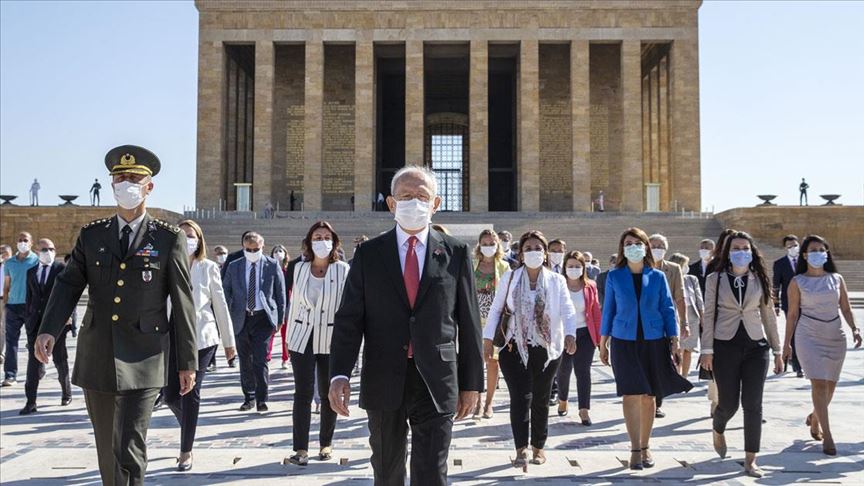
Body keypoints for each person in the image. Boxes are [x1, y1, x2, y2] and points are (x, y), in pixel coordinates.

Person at [34, 144, 198, 485]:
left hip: (145, 355)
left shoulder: (169, 239)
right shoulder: (92, 235)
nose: (127, 183)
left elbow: (183, 302)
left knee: (129, 446)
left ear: (149, 186)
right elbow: (68, 285)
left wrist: (187, 361)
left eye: (135, 178)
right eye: (120, 177)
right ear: (111, 184)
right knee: (107, 448)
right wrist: (48, 329)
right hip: (98, 352)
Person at [328, 165, 483, 486]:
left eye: (421, 196)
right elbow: (349, 320)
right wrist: (339, 374)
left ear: (436, 203)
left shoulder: (455, 251)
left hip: (436, 379)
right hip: (384, 376)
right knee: (387, 469)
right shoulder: (369, 254)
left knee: (432, 471)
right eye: (406, 196)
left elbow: (468, 322)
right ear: (391, 203)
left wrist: (471, 383)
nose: (414, 203)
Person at [599, 227, 692, 471]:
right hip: (623, 340)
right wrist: (603, 341)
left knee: (649, 395)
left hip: (653, 340)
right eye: (628, 243)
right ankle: (633, 449)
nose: (633, 247)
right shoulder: (614, 276)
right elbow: (608, 309)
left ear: (645, 246)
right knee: (631, 393)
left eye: (637, 242)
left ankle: (645, 445)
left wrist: (674, 337)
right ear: (622, 249)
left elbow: (667, 308)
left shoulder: (658, 276)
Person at [483, 230, 577, 467]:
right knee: (520, 397)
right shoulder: (511, 278)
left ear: (544, 253)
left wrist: (569, 333)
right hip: (514, 347)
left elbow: (567, 309)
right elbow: (496, 310)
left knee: (541, 399)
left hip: (546, 349)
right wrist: (486, 340)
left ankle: (539, 447)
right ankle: (520, 449)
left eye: (538, 248)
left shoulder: (557, 280)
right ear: (521, 254)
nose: (533, 252)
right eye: (528, 248)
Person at [700, 231, 782, 478]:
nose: (741, 252)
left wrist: (777, 350)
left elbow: (768, 315)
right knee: (729, 403)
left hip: (756, 346)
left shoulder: (760, 278)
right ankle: (718, 425)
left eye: (745, 247)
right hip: (725, 345)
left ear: (752, 251)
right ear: (727, 252)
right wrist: (706, 350)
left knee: (753, 404)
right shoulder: (715, 278)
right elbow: (709, 314)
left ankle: (750, 459)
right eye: (736, 248)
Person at [163, 220, 236, 471]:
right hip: (171, 336)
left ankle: (186, 451)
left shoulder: (208, 267)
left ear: (199, 239)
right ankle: (189, 426)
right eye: (182, 235)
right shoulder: (167, 264)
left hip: (202, 338)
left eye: (191, 235)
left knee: (191, 392)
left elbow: (220, 304)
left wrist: (229, 343)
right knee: (171, 395)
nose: (187, 239)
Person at [783, 235, 861, 456]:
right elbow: (791, 314)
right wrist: (787, 344)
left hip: (835, 335)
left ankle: (815, 417)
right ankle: (828, 435)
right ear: (805, 255)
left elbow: (845, 308)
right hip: (808, 335)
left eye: (821, 249)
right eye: (813, 250)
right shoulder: (797, 281)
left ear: (826, 253)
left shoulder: (836, 278)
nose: (818, 253)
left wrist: (854, 328)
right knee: (818, 384)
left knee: (830, 387)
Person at [285, 221, 349, 465]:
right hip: (301, 337)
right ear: (309, 241)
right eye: (316, 236)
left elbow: (346, 306)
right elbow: (294, 303)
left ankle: (325, 443)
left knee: (327, 392)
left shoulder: (342, 270)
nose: (321, 240)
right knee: (302, 392)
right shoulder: (298, 268)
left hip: (330, 338)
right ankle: (300, 448)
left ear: (333, 241)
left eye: (326, 236)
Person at [223, 232, 286, 412]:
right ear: (243, 247)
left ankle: (261, 398)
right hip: (241, 318)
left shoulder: (272, 265)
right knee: (245, 360)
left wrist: (280, 319)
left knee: (260, 359)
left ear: (262, 247)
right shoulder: (234, 266)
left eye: (256, 249)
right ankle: (248, 397)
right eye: (248, 249)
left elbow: (280, 294)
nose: (252, 252)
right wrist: (227, 316)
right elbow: (225, 291)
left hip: (263, 319)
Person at [20, 238, 70, 414]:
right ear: (37, 251)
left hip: (57, 324)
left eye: (51, 248)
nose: (48, 252)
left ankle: (66, 392)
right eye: (44, 249)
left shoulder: (62, 270)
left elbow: (69, 296)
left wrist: (68, 319)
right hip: (35, 323)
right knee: (33, 364)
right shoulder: (31, 272)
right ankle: (30, 402)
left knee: (59, 360)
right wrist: (28, 319)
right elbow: (30, 298)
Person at [556, 250, 601, 425]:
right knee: (563, 369)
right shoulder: (559, 285)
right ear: (565, 267)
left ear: (583, 268)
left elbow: (595, 311)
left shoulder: (590, 286)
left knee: (583, 371)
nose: (574, 269)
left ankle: (584, 409)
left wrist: (599, 338)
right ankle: (563, 399)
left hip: (584, 333)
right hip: (563, 333)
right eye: (570, 266)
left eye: (577, 266)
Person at [648, 233, 688, 418]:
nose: (656, 249)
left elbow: (680, 297)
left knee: (662, 362)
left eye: (660, 246)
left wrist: (684, 322)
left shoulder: (673, 269)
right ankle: (645, 399)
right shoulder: (640, 267)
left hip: (666, 322)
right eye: (653, 245)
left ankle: (657, 402)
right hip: (644, 322)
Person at [472, 229, 511, 419]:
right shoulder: (471, 265)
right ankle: (477, 401)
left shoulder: (504, 267)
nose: (488, 247)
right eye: (485, 244)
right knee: (475, 362)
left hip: (495, 322)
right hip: (474, 320)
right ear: (479, 245)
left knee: (493, 361)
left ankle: (489, 403)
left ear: (497, 246)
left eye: (491, 244)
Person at [3, 231, 39, 386]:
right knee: (11, 342)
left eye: (25, 240)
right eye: (20, 240)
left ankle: (39, 368)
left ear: (31, 243)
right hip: (13, 306)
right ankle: (10, 375)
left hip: (31, 306)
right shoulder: (10, 263)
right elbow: (6, 285)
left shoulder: (36, 261)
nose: (22, 242)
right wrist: (5, 304)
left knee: (33, 341)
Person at [773, 235, 803, 377]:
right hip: (789, 304)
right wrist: (776, 306)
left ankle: (804, 360)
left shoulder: (805, 261)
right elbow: (776, 286)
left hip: (807, 303)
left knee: (805, 332)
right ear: (785, 248)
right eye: (790, 246)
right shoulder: (780, 263)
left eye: (795, 245)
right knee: (794, 331)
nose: (793, 248)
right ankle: (798, 365)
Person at [669, 253, 703, 377]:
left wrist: (702, 316)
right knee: (678, 349)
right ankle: (677, 376)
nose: (687, 267)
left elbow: (699, 299)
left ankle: (685, 376)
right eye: (685, 264)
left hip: (692, 316)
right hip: (676, 315)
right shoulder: (668, 277)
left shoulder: (691, 279)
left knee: (689, 349)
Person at [267, 245, 291, 369]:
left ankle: (285, 358)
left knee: (285, 334)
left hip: (286, 305)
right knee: (270, 332)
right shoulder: (268, 269)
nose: (278, 253)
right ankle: (267, 356)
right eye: (275, 251)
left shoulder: (288, 270)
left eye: (280, 251)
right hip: (272, 306)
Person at [0, 244, 13, 365]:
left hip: (6, 299)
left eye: (4, 252)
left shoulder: (13, 266)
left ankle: (1, 353)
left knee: (3, 328)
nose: (2, 254)